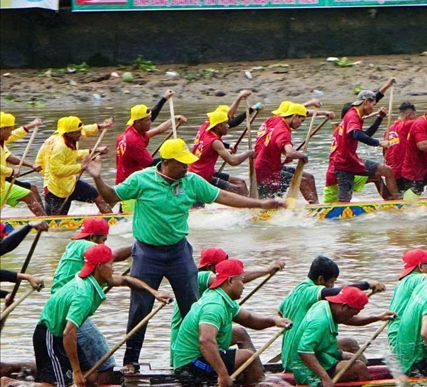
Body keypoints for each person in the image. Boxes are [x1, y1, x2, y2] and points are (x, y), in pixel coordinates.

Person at [83, 138, 281, 373]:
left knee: (193, 306)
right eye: (182, 164)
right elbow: (111, 197)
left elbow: (222, 197)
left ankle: (193, 360)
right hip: (147, 253)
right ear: (167, 163)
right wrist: (97, 177)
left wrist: (258, 204)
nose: (187, 168)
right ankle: (131, 362)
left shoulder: (191, 181)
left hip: (178, 251)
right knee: (140, 307)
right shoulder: (142, 179)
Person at [32, 245, 159, 387]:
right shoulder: (83, 295)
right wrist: (76, 371)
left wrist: (154, 292)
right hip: (50, 335)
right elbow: (69, 333)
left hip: (61, 334)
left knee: (91, 377)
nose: (113, 269)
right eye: (110, 264)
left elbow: (126, 280)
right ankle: (10, 384)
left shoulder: (95, 279)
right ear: (99, 267)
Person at [169, 258, 291, 387]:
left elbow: (250, 319)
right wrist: (223, 375)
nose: (243, 285)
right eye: (241, 280)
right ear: (230, 281)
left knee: (240, 332)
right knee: (247, 356)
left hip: (198, 357)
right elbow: (205, 341)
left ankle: (257, 375)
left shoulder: (222, 297)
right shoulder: (214, 307)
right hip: (189, 368)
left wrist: (274, 321)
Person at [289, 286, 393, 387]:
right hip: (306, 371)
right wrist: (325, 378)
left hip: (322, 353)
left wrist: (377, 317)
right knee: (359, 367)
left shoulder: (325, 305)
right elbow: (304, 351)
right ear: (344, 307)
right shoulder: (321, 321)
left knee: (349, 343)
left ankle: (362, 375)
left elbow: (351, 320)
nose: (351, 317)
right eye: (353, 313)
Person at [329, 83, 399, 202]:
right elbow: (356, 134)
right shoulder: (353, 115)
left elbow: (365, 136)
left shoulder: (354, 113)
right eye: (373, 104)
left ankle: (392, 201)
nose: (373, 108)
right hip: (346, 162)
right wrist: (379, 143)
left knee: (383, 172)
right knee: (387, 171)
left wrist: (387, 86)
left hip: (346, 161)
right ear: (365, 102)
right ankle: (399, 204)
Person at [36, 115, 115, 215]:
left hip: (71, 182)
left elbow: (84, 132)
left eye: (79, 131)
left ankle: (114, 220)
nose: (80, 134)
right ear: (69, 133)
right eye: (78, 132)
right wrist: (81, 167)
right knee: (54, 224)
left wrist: (101, 126)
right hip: (56, 189)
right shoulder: (60, 147)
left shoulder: (70, 137)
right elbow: (56, 170)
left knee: (98, 198)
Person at [253, 101, 319, 202]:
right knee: (301, 182)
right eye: (301, 121)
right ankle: (316, 209)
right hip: (266, 170)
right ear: (295, 116)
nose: (300, 124)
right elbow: (290, 152)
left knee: (308, 177)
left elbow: (281, 148)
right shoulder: (283, 130)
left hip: (272, 165)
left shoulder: (278, 122)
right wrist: (302, 155)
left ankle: (317, 205)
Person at [114, 93, 182, 184]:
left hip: (122, 177)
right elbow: (152, 165)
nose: (150, 122)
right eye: (148, 121)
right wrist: (174, 158)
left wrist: (173, 118)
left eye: (150, 119)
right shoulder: (134, 141)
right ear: (138, 122)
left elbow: (158, 130)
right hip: (129, 182)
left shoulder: (132, 129)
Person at [186, 107, 254, 194]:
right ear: (218, 126)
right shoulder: (215, 142)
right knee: (239, 189)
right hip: (202, 176)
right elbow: (233, 162)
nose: (229, 125)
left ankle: (245, 205)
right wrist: (249, 152)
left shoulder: (205, 128)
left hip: (198, 171)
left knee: (240, 182)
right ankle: (250, 205)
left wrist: (229, 146)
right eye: (226, 123)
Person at [1, 114, 46, 216]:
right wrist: (12, 171)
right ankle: (45, 221)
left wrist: (32, 125)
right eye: (10, 129)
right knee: (31, 191)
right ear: (3, 129)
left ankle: (45, 220)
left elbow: (15, 134)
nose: (11, 132)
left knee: (29, 193)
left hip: (2, 182)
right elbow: (9, 158)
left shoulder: (2, 140)